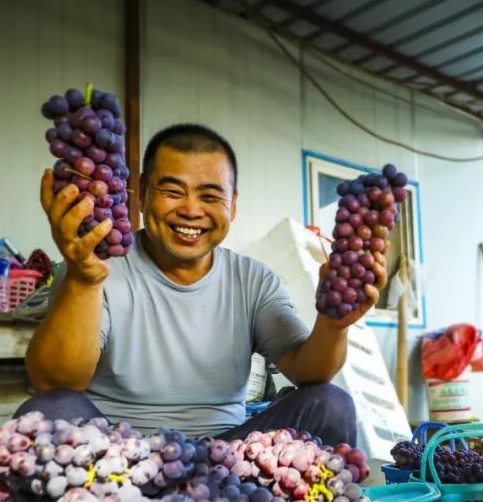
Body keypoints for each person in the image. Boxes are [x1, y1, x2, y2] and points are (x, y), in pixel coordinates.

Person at [20, 124, 387, 446]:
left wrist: (334, 325)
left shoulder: (253, 280)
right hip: (113, 456)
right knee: (50, 411)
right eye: (173, 191)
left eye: (210, 196)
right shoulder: (92, 264)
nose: (191, 210)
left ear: (233, 205)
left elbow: (308, 371)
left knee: (330, 404)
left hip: (228, 459)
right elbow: (52, 384)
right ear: (142, 192)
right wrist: (84, 280)